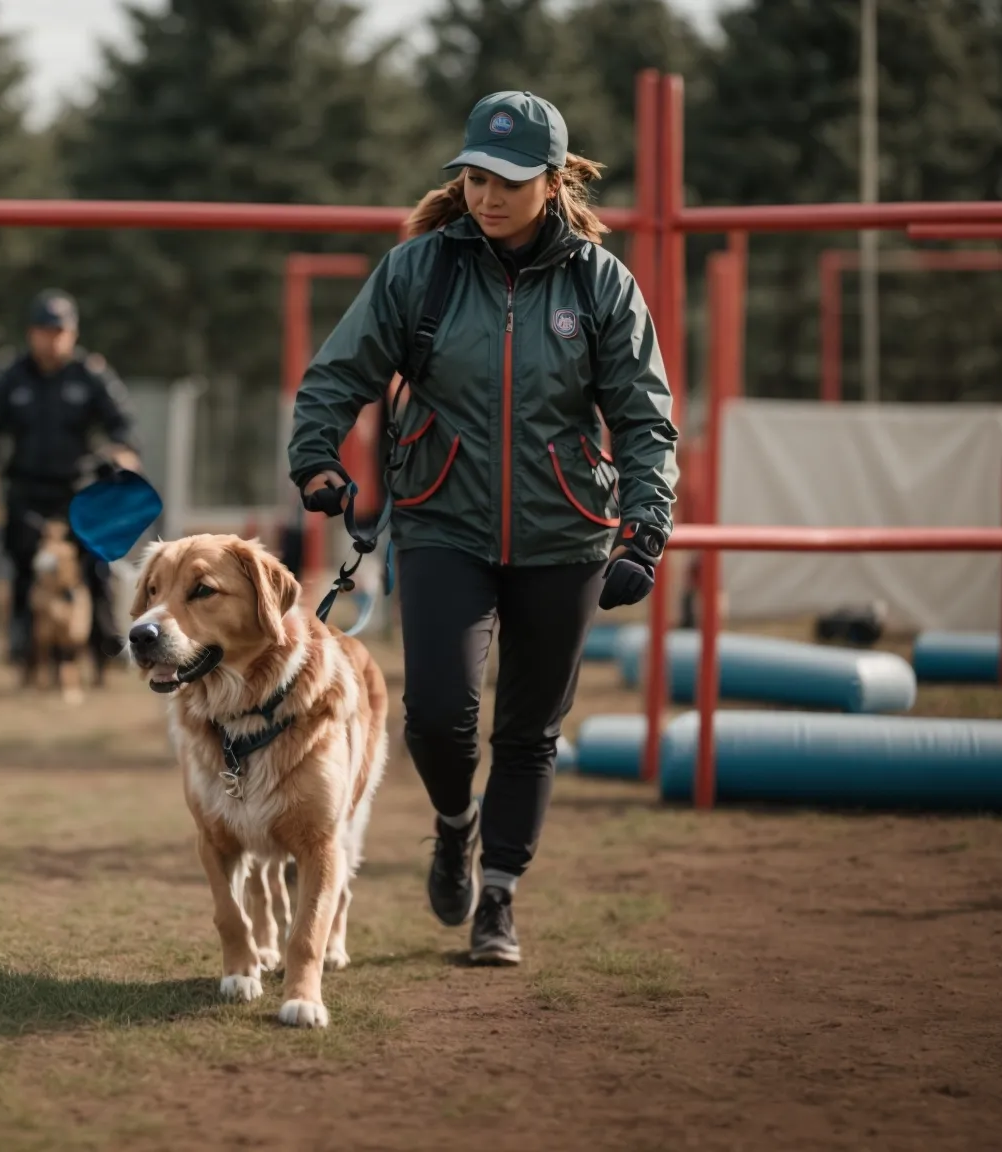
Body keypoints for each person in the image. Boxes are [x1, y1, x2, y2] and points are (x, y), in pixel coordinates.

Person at [287, 91, 678, 966]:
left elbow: (646, 420)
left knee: (530, 731)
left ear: (553, 181)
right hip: (439, 520)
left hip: (566, 533)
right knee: (435, 715)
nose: (486, 194)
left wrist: (642, 529)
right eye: (472, 176)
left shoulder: (601, 284)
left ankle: (498, 897)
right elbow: (336, 371)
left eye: (506, 179)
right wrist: (315, 455)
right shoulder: (418, 271)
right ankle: (455, 820)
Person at [0, 288, 142, 674]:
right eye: (45, 331)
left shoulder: (91, 375)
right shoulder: (11, 377)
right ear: (31, 333)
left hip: (78, 489)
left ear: (74, 334)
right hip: (26, 491)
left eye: (60, 331)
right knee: (20, 568)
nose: (52, 340)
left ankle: (104, 647)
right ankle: (24, 649)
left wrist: (122, 451)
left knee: (96, 567)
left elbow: (124, 425)